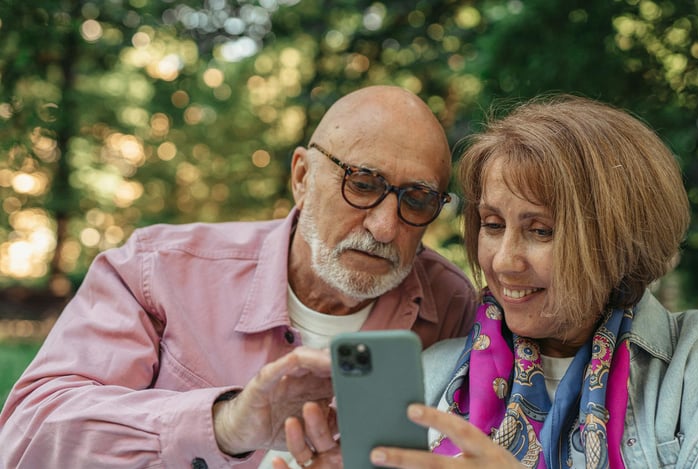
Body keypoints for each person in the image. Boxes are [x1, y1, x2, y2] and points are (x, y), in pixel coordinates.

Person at [276, 94, 698, 468]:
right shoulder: (433, 374)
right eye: (492, 225)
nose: (505, 261)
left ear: (621, 241)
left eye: (541, 231)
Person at [0, 85, 477, 468]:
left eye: (417, 199)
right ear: (302, 178)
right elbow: (27, 437)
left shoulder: (453, 307)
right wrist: (226, 424)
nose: (385, 227)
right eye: (363, 184)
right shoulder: (159, 269)